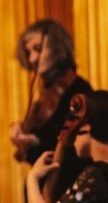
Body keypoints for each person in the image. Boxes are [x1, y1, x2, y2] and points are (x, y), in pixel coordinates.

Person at [9, 19, 92, 167]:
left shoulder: (80, 91)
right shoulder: (42, 94)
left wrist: (38, 143)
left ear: (57, 47)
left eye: (38, 48)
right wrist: (23, 135)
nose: (32, 59)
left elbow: (75, 154)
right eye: (28, 52)